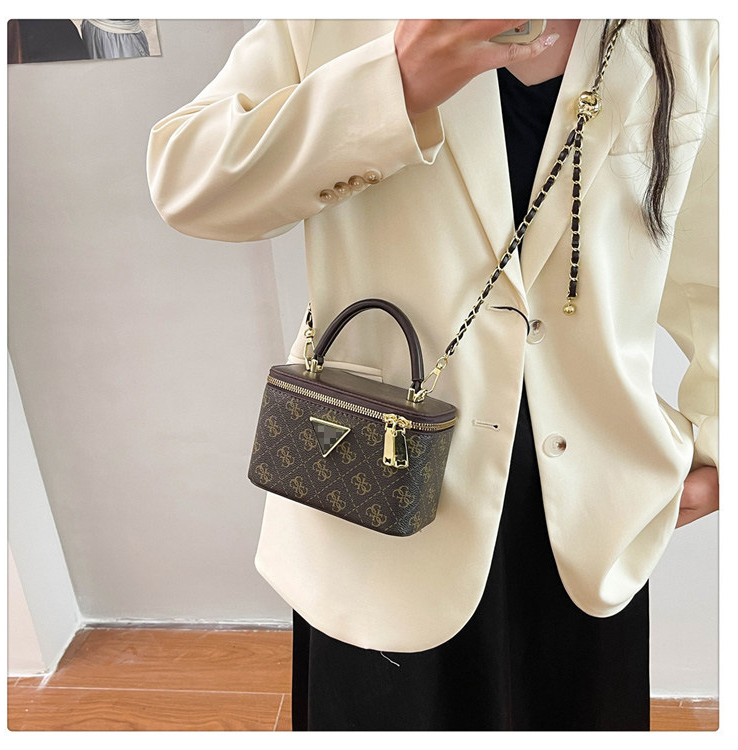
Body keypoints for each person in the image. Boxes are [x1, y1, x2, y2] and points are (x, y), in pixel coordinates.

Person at [146, 20, 718, 730]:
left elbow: (715, 264)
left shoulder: (689, 28)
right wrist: (391, 85)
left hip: (589, 512)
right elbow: (185, 181)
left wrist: (721, 439)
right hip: (375, 498)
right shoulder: (334, 18)